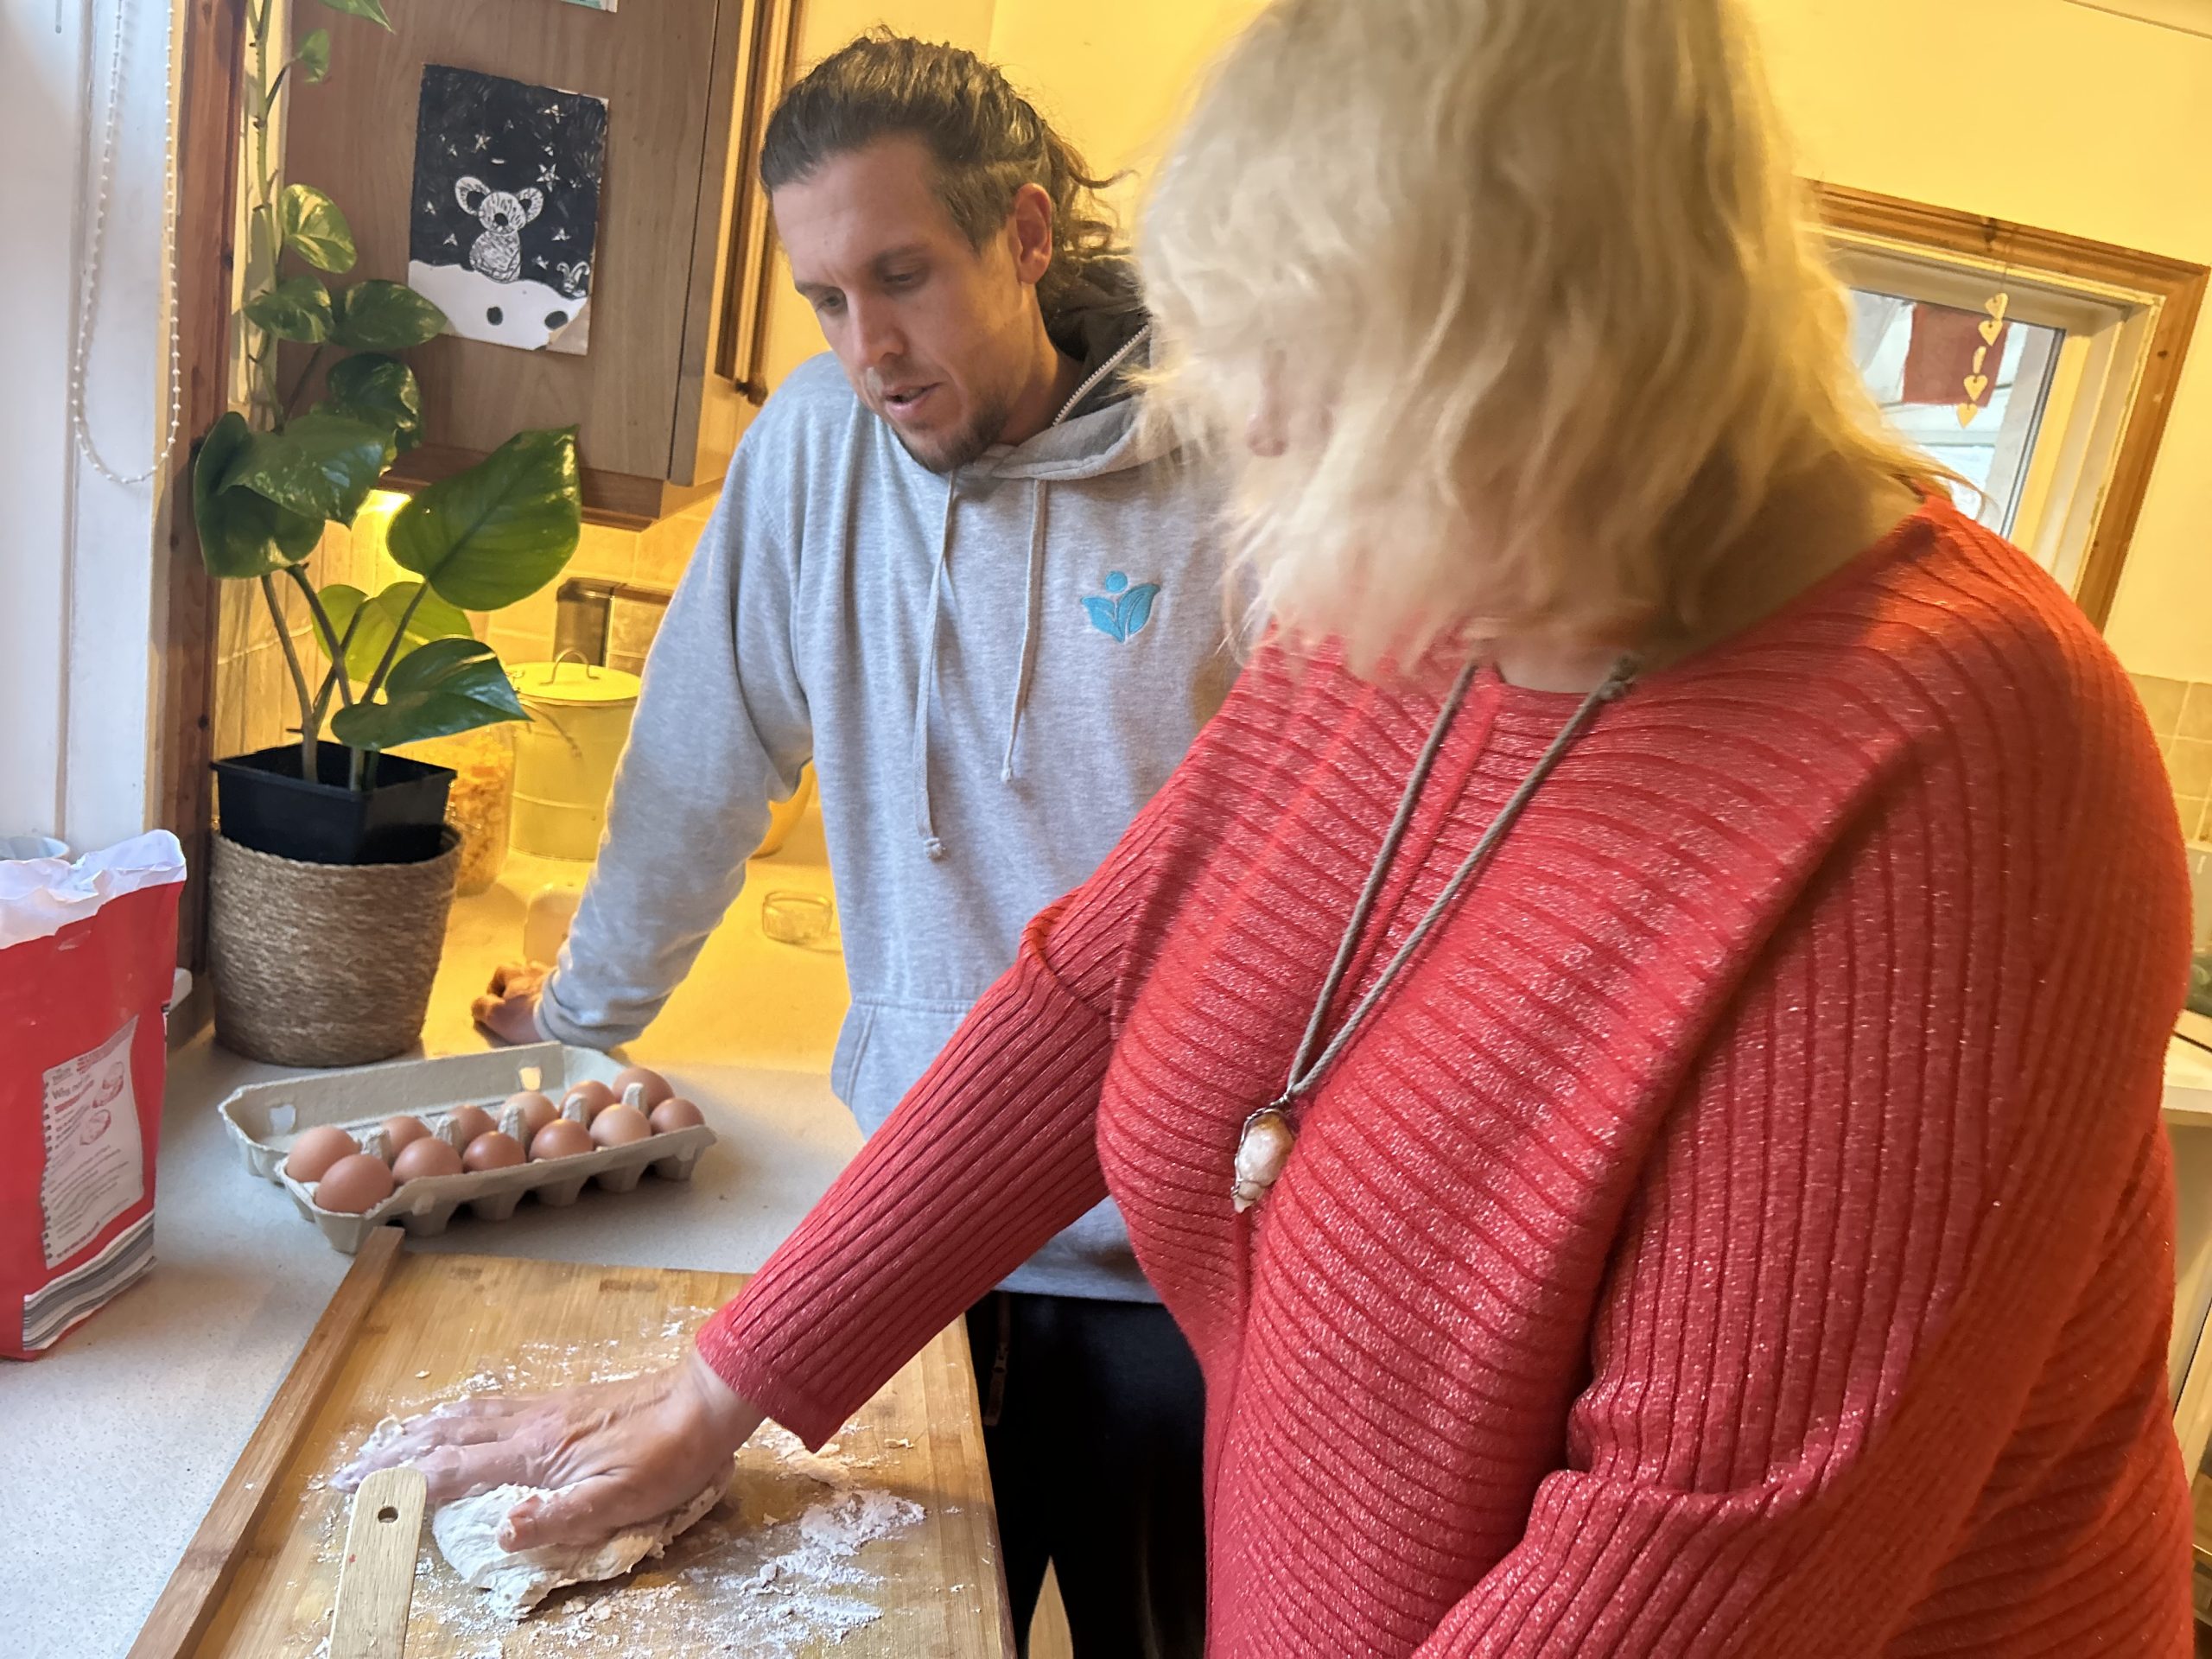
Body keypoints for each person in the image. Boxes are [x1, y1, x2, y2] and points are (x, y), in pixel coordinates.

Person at [356, 1, 2194, 1652]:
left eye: (1319, 433)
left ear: (1573, 356)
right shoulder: (1430, 597)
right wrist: (723, 1383)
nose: (1275, 512)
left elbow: (1686, 1560)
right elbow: (1087, 997)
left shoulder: (1958, 767)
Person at [467, 33, 1224, 1656]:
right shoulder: (815, 452)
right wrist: (582, 1029)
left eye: (904, 276)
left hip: (1193, 1280)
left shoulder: (1241, 477)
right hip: (905, 1239)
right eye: (825, 298)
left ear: (1024, 234)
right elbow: (692, 770)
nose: (867, 348)